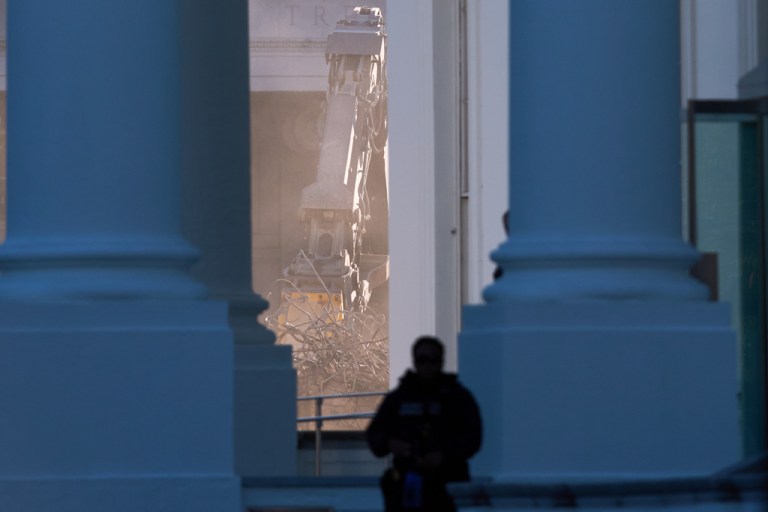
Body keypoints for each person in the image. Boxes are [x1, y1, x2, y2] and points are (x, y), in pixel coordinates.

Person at [367, 336, 482, 511]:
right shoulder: (399, 399)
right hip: (408, 482)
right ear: (414, 361)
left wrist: (444, 455)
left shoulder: (457, 398)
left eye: (433, 360)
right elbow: (374, 435)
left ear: (441, 361)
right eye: (422, 360)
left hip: (446, 484)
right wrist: (391, 444)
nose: (428, 365)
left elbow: (473, 438)